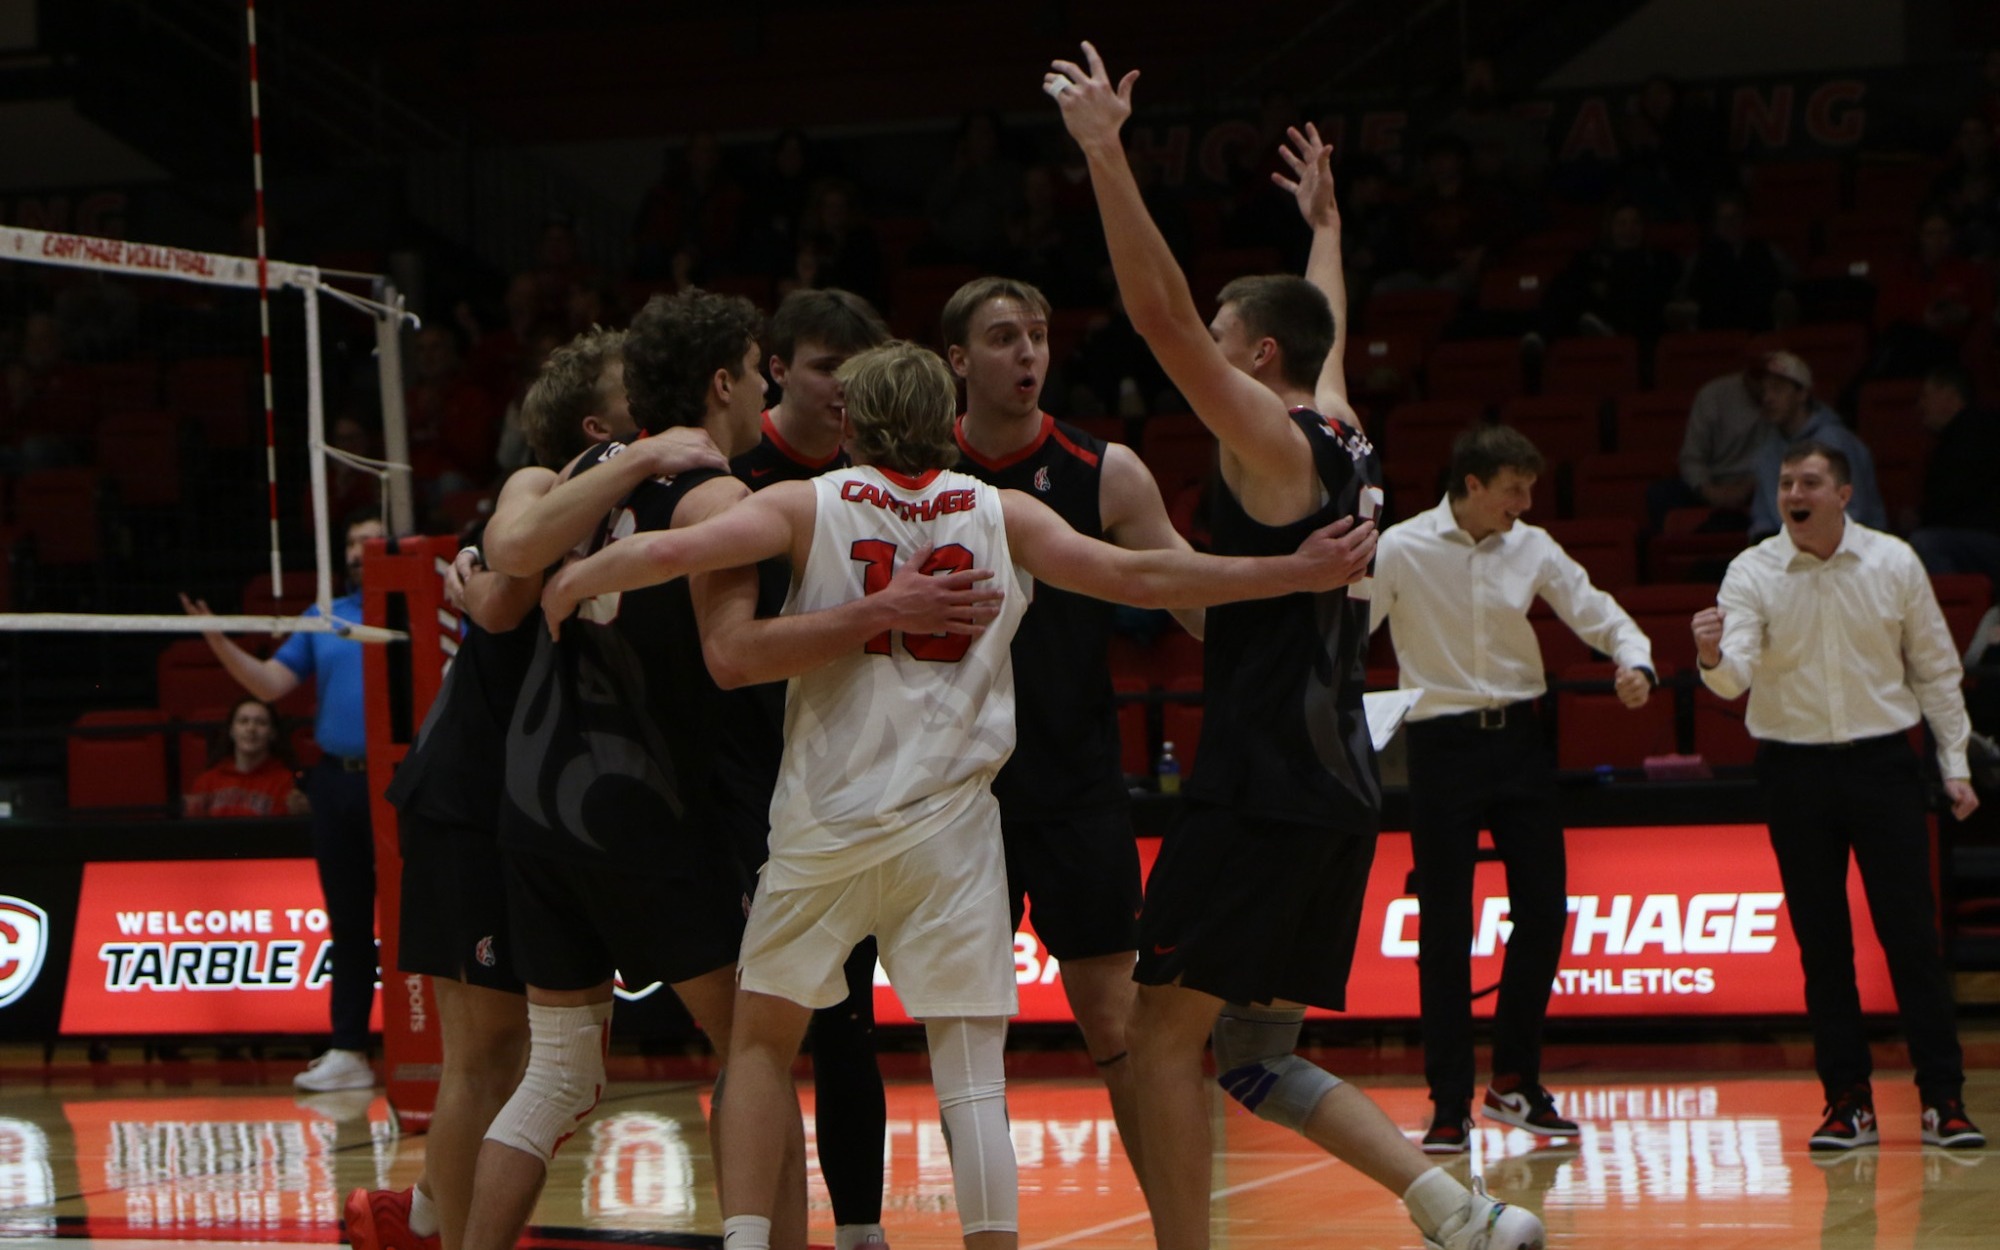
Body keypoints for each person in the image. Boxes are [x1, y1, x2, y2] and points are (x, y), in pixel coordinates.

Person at [536, 339, 1380, 1250]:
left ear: (853, 420)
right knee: (971, 1076)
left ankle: (746, 1243)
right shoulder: (1001, 511)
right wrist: (1289, 573)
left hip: (827, 821)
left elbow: (680, 549)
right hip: (952, 831)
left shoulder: (800, 502)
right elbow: (1142, 574)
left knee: (757, 1048)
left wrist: (581, 574)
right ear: (946, 421)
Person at [1048, 45, 1543, 1250]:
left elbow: (1161, 316)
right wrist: (1323, 227)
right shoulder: (1346, 437)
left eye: (1231, 339)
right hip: (1337, 789)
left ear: (1254, 361)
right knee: (1258, 1052)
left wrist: (1105, 153)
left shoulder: (1270, 445)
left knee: (1162, 1033)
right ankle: (1455, 1210)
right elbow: (1321, 334)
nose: (1209, 348)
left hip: (1260, 781)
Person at [464, 292, 992, 1250]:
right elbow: (735, 653)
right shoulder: (716, 497)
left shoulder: (585, 468)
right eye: (756, 369)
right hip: (646, 816)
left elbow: (507, 566)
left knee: (555, 1078)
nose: (764, 387)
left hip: (537, 807)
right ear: (723, 383)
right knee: (757, 1052)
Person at [343, 329, 638, 1250]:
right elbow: (503, 600)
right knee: (487, 1055)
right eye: (636, 389)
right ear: (594, 424)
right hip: (465, 804)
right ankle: (434, 1228)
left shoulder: (627, 502)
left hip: (526, 807)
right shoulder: (535, 490)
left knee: (515, 1059)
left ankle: (422, 1218)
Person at [946, 273, 1200, 1182]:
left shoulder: (1105, 470)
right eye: (1005, 336)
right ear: (956, 360)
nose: (1027, 354)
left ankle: (1179, 1232)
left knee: (1117, 1021)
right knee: (966, 1040)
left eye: (1039, 336)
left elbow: (1188, 593)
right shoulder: (915, 476)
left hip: (1072, 785)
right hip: (949, 792)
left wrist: (1287, 623)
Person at [1371, 423, 1657, 1153]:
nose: (1525, 502)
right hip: (1440, 745)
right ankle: (1446, 1102)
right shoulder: (1401, 546)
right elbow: (1345, 632)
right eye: (1513, 489)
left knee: (1544, 909)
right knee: (1443, 924)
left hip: (1523, 739)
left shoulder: (1531, 544)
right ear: (1471, 485)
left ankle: (1515, 1082)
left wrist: (1636, 659)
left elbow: (1591, 605)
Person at [1693, 440, 1985, 1152]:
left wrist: (1956, 763)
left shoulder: (1893, 561)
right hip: (1794, 772)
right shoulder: (1752, 570)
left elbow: (1936, 669)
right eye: (1787, 481)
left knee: (1911, 938)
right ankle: (1846, 1100)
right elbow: (1734, 680)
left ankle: (1942, 1097)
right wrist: (1707, 654)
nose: (1795, 491)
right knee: (1822, 945)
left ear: (1844, 494)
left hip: (1884, 765)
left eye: (1810, 481)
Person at [721, 286, 899, 1250]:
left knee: (848, 1023)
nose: (842, 388)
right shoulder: (733, 475)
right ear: (777, 367)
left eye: (855, 370)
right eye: (825, 365)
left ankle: (862, 1232)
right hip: (739, 783)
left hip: (846, 784)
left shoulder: (888, 475)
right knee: (751, 1030)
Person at [181, 514, 389, 1094]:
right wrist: (218, 641)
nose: (356, 550)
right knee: (347, 923)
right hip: (338, 784)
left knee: (414, 922)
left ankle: (432, 1045)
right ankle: (349, 1049)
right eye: (350, 542)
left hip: (401, 781)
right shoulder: (324, 618)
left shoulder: (416, 612)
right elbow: (271, 684)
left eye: (367, 539)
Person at [1745, 351, 1882, 540]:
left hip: (1850, 551)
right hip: (1787, 555)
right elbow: (1762, 519)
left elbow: (1855, 512)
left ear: (1802, 394)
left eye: (1777, 389)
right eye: (1764, 391)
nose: (1767, 398)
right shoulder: (1767, 451)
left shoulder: (1836, 441)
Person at [1908, 364, 2000, 587]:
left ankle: (1954, 613)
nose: (1921, 406)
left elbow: (1955, 499)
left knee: (1926, 542)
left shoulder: (1977, 436)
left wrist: (1920, 517)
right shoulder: (1950, 439)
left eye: (1926, 396)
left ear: (1949, 395)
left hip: (1990, 537)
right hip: (1974, 537)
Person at [182, 696, 307, 818]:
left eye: (260, 723)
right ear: (231, 730)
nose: (251, 728)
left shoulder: (286, 782)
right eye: (243, 721)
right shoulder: (207, 781)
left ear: (272, 733)